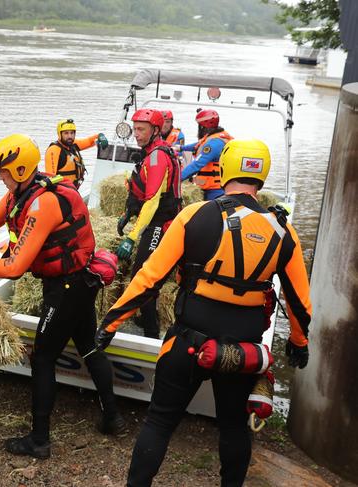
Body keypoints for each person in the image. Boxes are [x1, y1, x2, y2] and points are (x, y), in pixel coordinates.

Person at [95, 139, 312, 487]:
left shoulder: (195, 216)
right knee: (233, 427)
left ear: (225, 168)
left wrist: (110, 324)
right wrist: (299, 343)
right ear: (262, 175)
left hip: (188, 342)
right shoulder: (284, 231)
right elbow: (300, 302)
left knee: (160, 422)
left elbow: (149, 278)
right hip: (242, 352)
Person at [0, 133, 125, 459]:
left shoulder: (42, 203)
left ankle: (39, 440)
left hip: (66, 288)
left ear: (20, 172)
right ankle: (113, 418)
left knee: (44, 358)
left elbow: (14, 266)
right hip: (77, 283)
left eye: (3, 171)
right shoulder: (21, 194)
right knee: (88, 346)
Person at [115, 108, 182, 339]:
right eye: (135, 129)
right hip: (155, 222)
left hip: (160, 225)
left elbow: (153, 201)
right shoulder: (151, 152)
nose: (137, 134)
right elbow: (141, 192)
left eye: (142, 129)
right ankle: (145, 318)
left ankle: (151, 333)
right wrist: (128, 212)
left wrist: (132, 237)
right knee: (142, 275)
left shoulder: (156, 157)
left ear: (155, 130)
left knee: (142, 277)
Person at [178, 109, 233, 200]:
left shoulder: (214, 144)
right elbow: (198, 145)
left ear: (203, 127)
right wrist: (181, 148)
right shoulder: (218, 136)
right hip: (219, 187)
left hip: (215, 191)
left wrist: (177, 179)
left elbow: (196, 165)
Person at [44, 118, 108, 188]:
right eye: (66, 133)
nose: (70, 136)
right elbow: (50, 178)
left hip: (73, 189)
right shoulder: (53, 150)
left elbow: (89, 141)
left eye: (72, 133)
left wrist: (100, 136)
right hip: (62, 191)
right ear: (60, 134)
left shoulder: (73, 144)